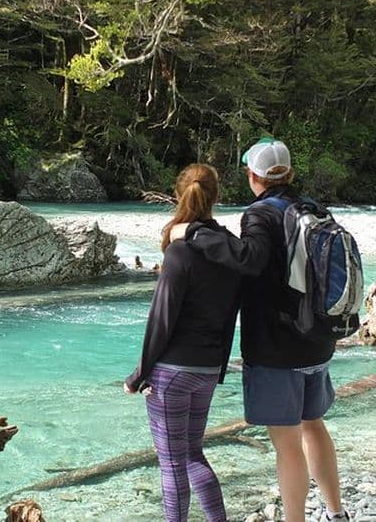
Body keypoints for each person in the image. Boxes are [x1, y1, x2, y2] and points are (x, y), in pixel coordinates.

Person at [175, 138, 349, 522]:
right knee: (313, 426)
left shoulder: (259, 214)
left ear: (253, 175)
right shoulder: (315, 210)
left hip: (277, 346)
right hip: (318, 339)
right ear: (290, 173)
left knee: (286, 443)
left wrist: (193, 234)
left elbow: (249, 260)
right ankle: (336, 513)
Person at [124, 163, 241, 522]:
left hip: (172, 373)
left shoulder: (180, 253)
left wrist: (139, 374)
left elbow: (162, 319)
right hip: (207, 369)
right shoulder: (232, 251)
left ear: (179, 195)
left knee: (173, 463)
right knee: (193, 454)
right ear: (215, 197)